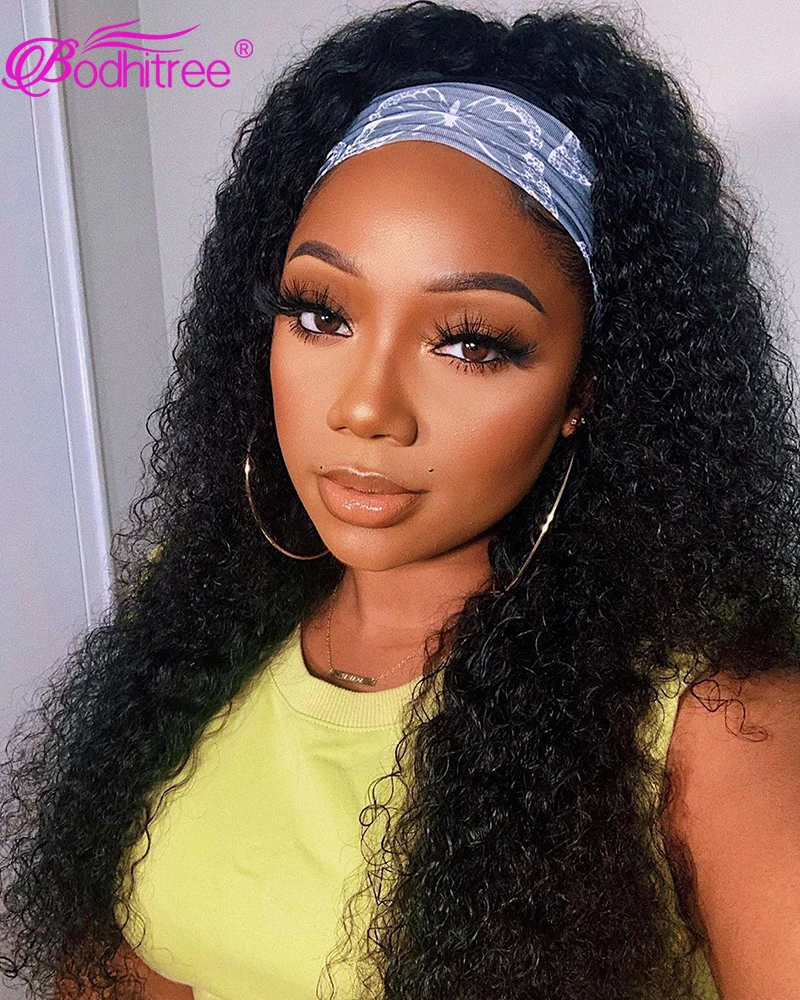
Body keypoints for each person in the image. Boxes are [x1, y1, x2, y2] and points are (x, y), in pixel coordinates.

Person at [2, 2, 800, 998]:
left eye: (470, 342)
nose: (366, 408)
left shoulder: (719, 721)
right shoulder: (199, 617)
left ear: (584, 389)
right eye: (320, 314)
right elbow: (120, 961)